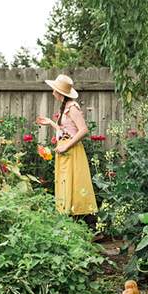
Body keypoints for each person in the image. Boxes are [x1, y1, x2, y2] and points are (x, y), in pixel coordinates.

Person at [36, 74, 98, 217]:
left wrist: (66, 146)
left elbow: (83, 130)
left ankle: (81, 221)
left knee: (74, 183)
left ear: (60, 92)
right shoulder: (64, 107)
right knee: (64, 181)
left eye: (54, 89)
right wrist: (50, 122)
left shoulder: (72, 108)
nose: (52, 92)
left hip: (72, 150)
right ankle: (67, 218)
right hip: (64, 150)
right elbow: (66, 130)